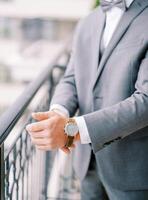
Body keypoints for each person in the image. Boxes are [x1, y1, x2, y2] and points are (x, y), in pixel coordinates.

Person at [26, 0, 148, 199]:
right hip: (86, 164)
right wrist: (58, 113)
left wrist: (70, 130)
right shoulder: (88, 21)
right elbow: (71, 78)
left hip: (133, 170)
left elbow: (146, 100)